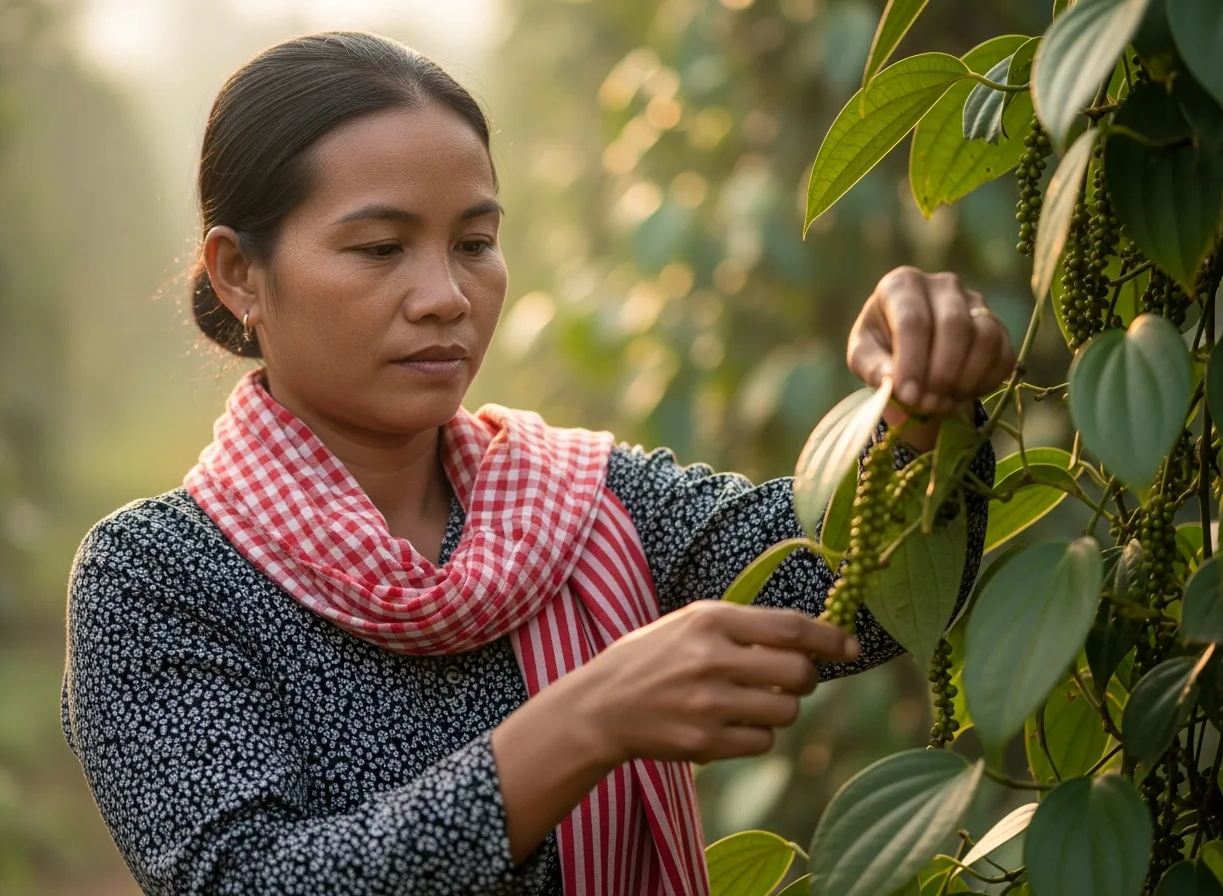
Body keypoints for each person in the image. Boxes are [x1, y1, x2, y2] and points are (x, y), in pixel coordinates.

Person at [60, 31, 1014, 896]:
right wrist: (581, 725)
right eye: (381, 247)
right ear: (239, 274)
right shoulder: (155, 577)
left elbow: (856, 590)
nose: (445, 295)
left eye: (474, 243)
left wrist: (919, 412)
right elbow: (247, 881)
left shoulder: (575, 506)